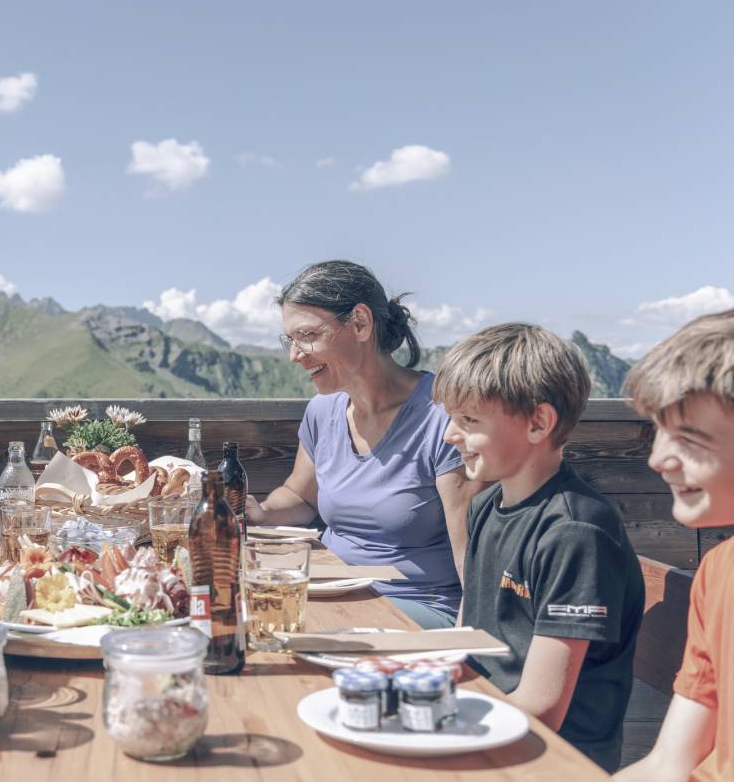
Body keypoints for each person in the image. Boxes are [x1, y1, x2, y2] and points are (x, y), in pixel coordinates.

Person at [435, 323, 644, 771]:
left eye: (469, 421)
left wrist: (429, 726)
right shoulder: (488, 505)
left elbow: (543, 707)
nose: (451, 435)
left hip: (549, 756)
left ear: (538, 423)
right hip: (487, 720)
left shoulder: (575, 532)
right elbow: (469, 628)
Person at [246, 260, 478, 629]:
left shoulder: (443, 417)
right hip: (332, 593)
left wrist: (465, 652)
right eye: (289, 340)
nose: (294, 355)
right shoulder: (323, 411)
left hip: (418, 606)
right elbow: (301, 497)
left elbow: (472, 559)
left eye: (306, 335)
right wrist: (251, 512)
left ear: (360, 323)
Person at [615, 311, 734, 782]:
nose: (657, 459)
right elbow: (668, 764)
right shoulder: (719, 570)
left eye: (688, 438)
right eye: (658, 431)